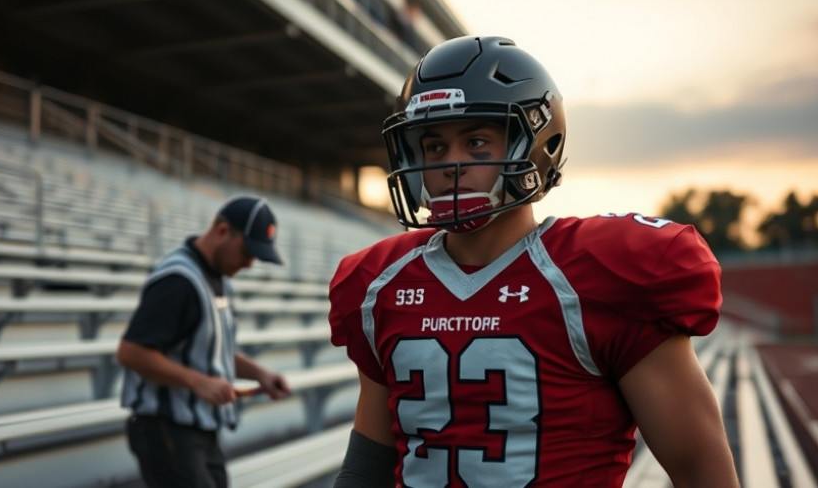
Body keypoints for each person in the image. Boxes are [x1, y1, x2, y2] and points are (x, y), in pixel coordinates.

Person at [328, 36, 740, 487]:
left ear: (537, 145)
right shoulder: (379, 285)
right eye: (434, 147)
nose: (451, 165)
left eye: (477, 141)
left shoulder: (598, 277)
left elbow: (700, 469)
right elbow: (367, 466)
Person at [118, 194, 292, 488]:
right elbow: (131, 352)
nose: (249, 264)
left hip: (199, 429)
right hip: (166, 428)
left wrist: (260, 373)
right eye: (246, 251)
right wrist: (197, 381)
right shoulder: (178, 281)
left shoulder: (219, 280)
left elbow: (212, 350)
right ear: (222, 230)